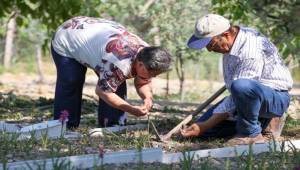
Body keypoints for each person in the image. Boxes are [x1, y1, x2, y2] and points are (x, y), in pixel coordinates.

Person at [181, 14, 293, 145]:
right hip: (246, 98)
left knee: (241, 86)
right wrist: (203, 126)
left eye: (211, 44)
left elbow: (240, 91)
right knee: (206, 132)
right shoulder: (233, 40)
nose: (209, 50)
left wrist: (206, 124)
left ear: (226, 34)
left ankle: (251, 133)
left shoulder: (249, 50)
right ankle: (261, 122)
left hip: (274, 98)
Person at [51, 16, 172, 128]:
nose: (153, 77)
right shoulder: (119, 63)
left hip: (94, 40)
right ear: (140, 64)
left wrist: (147, 98)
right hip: (68, 37)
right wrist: (131, 109)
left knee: (115, 82)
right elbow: (104, 92)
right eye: (152, 74)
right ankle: (65, 126)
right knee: (72, 80)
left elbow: (142, 82)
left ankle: (112, 125)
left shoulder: (148, 55)